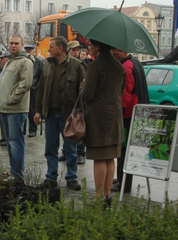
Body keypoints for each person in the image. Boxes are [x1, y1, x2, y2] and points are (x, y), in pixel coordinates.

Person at [34, 36, 86, 191]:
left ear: (61, 49)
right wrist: (37, 110)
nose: (48, 49)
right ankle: (51, 177)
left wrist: (81, 114)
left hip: (69, 116)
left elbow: (83, 92)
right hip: (50, 115)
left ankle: (71, 178)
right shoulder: (47, 65)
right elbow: (41, 90)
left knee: (71, 149)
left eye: (51, 46)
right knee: (50, 148)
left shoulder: (77, 66)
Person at [80, 39, 125, 204]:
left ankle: (98, 197)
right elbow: (121, 90)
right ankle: (106, 194)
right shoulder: (119, 66)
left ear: (98, 47)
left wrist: (82, 86)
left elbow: (87, 94)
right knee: (110, 157)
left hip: (98, 116)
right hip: (115, 115)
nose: (88, 49)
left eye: (90, 46)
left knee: (99, 157)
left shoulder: (95, 66)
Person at [110, 48, 150, 193]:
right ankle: (122, 178)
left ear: (123, 51)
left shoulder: (126, 67)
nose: (113, 53)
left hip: (129, 115)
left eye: (116, 51)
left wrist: (119, 113)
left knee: (123, 150)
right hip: (138, 112)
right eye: (111, 50)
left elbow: (125, 94)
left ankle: (123, 184)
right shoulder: (136, 63)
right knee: (127, 150)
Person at [0, 34, 33, 182]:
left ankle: (18, 176)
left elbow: (26, 84)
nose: (13, 46)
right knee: (10, 142)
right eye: (11, 43)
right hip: (4, 108)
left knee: (16, 142)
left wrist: (11, 99)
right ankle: (13, 171)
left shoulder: (24, 62)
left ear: (22, 45)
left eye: (16, 43)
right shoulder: (10, 61)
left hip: (15, 109)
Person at [58, 40, 86, 165]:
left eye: (77, 50)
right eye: (73, 50)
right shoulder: (64, 64)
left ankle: (80, 153)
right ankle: (65, 151)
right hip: (65, 105)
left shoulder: (81, 65)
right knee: (67, 131)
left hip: (77, 106)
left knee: (78, 131)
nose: (76, 52)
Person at [23, 45, 44, 138]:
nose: (28, 53)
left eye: (29, 51)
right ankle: (22, 129)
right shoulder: (22, 61)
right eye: (26, 51)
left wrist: (37, 86)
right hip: (23, 89)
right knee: (23, 110)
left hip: (34, 89)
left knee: (32, 110)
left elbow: (42, 76)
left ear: (33, 51)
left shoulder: (38, 62)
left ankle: (32, 129)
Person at [0, 51, 10, 147]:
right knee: (1, 119)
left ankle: (7, 138)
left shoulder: (9, 70)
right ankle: (3, 136)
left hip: (7, 100)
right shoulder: (2, 69)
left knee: (7, 121)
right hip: (1, 99)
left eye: (2, 59)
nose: (1, 60)